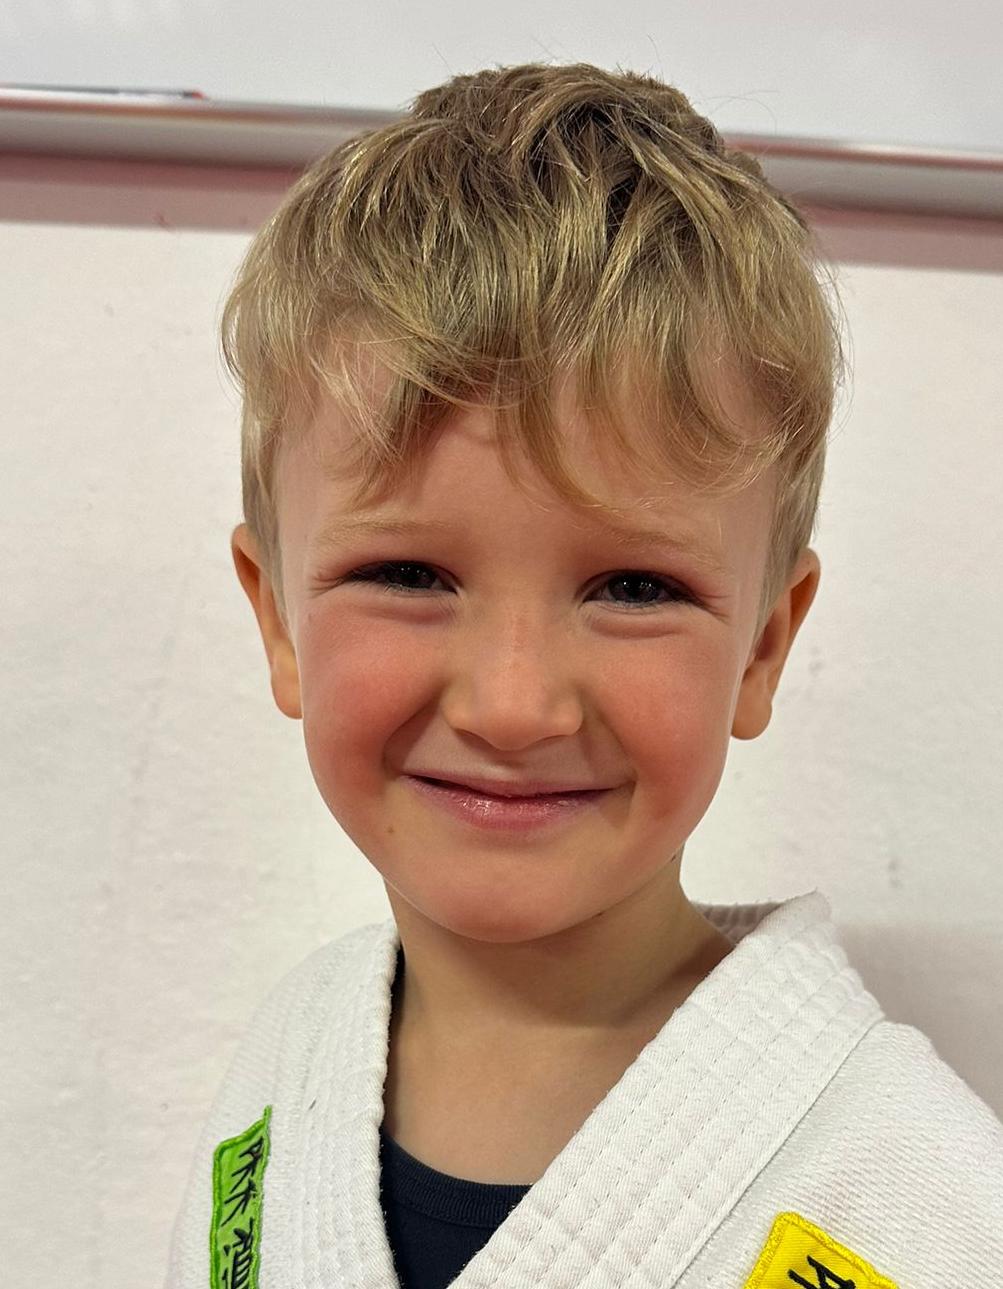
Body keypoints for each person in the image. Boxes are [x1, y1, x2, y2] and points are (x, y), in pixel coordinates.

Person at [166, 61, 1003, 1289]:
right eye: (407, 573)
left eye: (634, 589)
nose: (513, 705)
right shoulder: (282, 1072)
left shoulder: (925, 1204)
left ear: (763, 646)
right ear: (277, 619)